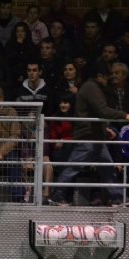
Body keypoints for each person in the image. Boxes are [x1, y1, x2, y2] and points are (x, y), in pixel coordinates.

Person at [50, 62, 129, 207]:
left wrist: (105, 128)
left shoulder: (92, 87)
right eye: (107, 77)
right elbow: (102, 111)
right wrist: (125, 115)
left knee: (107, 168)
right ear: (100, 76)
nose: (109, 80)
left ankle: (118, 198)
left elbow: (94, 112)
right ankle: (57, 195)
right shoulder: (92, 87)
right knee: (72, 167)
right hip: (88, 136)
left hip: (95, 135)